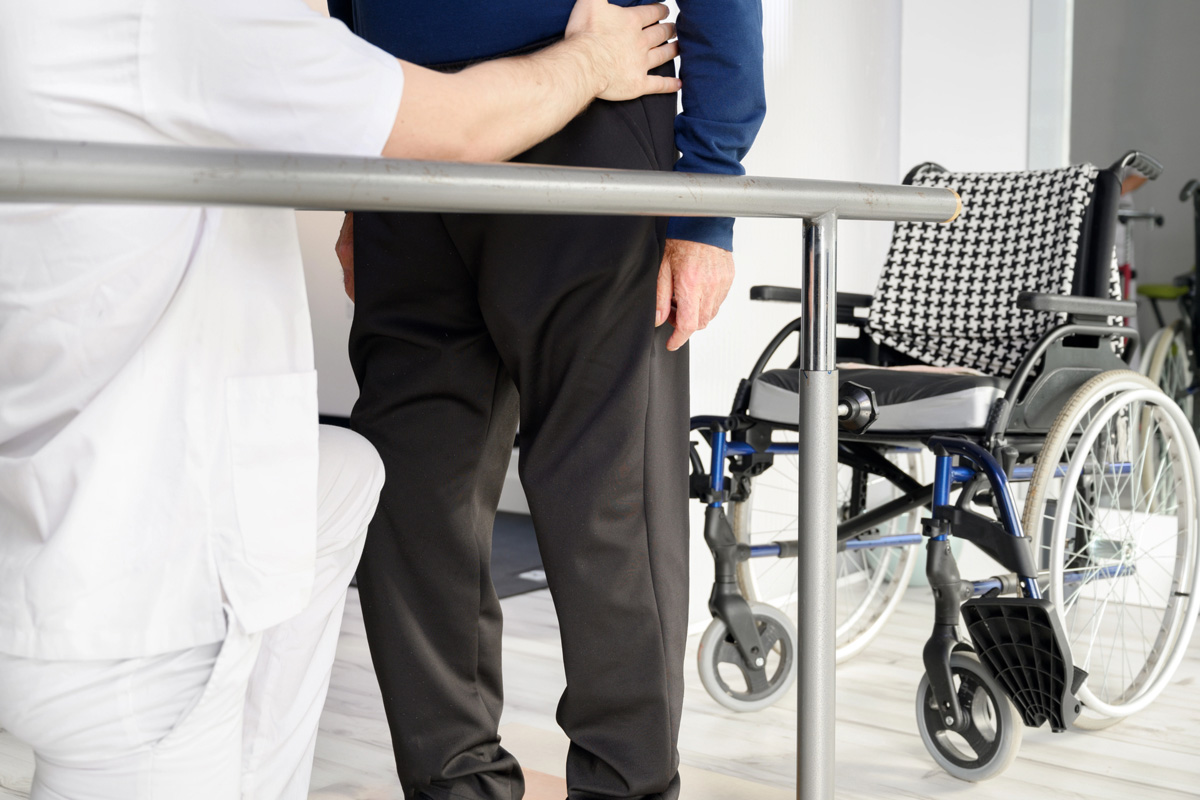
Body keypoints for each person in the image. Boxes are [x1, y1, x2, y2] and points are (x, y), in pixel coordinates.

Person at [0, 1, 679, 797]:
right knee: (404, 499)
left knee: (352, 474)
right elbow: (457, 127)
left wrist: (710, 208)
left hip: (39, 535)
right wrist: (595, 61)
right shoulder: (183, 18)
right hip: (140, 625)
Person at [330, 2, 765, 798]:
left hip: (589, 118)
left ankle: (624, 787)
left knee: (606, 501)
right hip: (413, 129)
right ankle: (455, 786)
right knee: (412, 501)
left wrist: (706, 196)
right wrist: (362, 176)